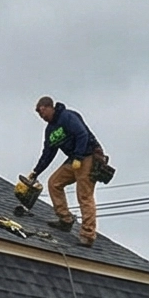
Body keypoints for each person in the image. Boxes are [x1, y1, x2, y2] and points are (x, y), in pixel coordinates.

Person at [31, 96, 108, 248]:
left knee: (84, 195)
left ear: (49, 107)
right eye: (39, 115)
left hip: (88, 155)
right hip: (75, 159)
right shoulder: (51, 130)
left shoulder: (67, 116)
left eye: (42, 112)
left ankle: (88, 235)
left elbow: (82, 135)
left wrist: (79, 156)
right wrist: (36, 172)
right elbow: (48, 153)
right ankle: (65, 219)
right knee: (54, 183)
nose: (42, 117)